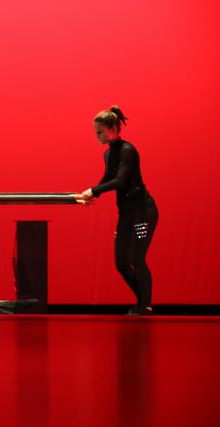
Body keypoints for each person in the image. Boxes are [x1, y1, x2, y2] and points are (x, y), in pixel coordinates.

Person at [76, 106, 158, 315]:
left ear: (113, 129)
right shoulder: (108, 153)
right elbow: (108, 178)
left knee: (136, 258)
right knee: (121, 262)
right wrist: (91, 195)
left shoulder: (127, 150)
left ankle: (146, 305)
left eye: (100, 132)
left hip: (142, 213)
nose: (97, 136)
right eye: (96, 132)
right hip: (127, 214)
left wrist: (93, 191)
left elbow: (120, 180)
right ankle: (141, 301)